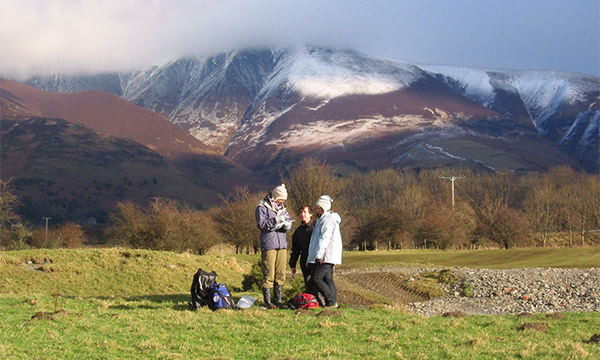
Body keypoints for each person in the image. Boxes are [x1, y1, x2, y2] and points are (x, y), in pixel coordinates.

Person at [255, 184, 293, 309]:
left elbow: (287, 221)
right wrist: (275, 220)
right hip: (269, 244)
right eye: (281, 199)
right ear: (275, 196)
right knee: (268, 272)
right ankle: (268, 301)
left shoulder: (283, 208)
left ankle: (278, 300)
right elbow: (261, 224)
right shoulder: (262, 207)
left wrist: (287, 225)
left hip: (282, 244)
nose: (282, 201)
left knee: (280, 272)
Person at [307, 195, 342, 309]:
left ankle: (331, 300)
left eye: (318, 208)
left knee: (316, 278)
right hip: (329, 255)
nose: (316, 210)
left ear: (323, 207)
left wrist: (318, 255)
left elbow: (324, 238)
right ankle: (332, 303)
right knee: (328, 279)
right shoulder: (326, 219)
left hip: (326, 255)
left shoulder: (327, 220)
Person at [289, 205, 318, 295]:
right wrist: (292, 264)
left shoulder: (317, 227)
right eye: (301, 212)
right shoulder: (298, 232)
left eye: (305, 212)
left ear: (311, 214)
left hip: (317, 260)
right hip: (305, 261)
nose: (302, 214)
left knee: (318, 283)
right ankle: (311, 304)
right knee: (308, 285)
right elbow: (295, 250)